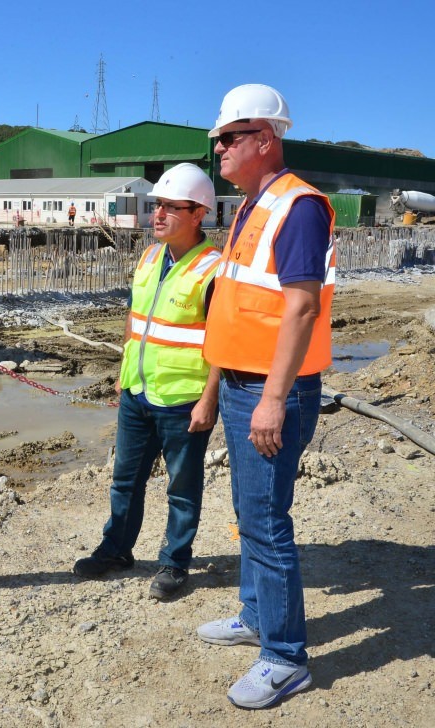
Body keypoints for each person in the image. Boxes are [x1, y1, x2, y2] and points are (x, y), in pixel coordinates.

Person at [196, 84, 336, 710]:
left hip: (269, 390)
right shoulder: (252, 205)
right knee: (251, 513)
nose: (218, 147)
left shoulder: (298, 207)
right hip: (240, 383)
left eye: (229, 136)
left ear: (265, 139)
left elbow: (302, 307)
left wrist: (274, 399)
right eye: (217, 139)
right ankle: (257, 615)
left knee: (267, 522)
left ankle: (285, 657)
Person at [73, 163, 221, 601]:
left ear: (198, 213)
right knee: (125, 479)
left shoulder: (214, 269)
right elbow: (135, 320)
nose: (157, 215)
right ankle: (116, 550)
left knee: (182, 487)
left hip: (183, 399)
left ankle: (175, 562)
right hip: (137, 392)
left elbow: (223, 342)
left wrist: (208, 400)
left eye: (170, 207)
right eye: (156, 206)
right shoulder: (150, 256)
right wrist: (124, 373)